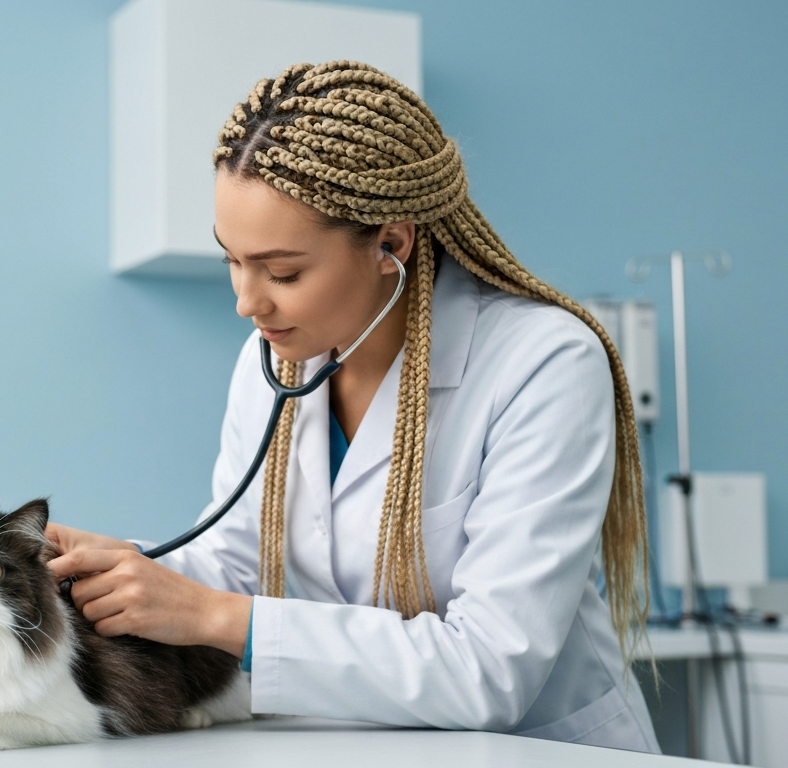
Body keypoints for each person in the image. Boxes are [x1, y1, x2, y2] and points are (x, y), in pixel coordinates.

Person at [47, 61, 659, 752]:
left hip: (541, 750)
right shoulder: (273, 364)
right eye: (232, 261)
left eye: (283, 272)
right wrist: (125, 566)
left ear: (389, 245)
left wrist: (218, 617)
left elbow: (490, 669)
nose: (247, 303)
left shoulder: (542, 362)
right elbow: (240, 565)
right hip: (367, 745)